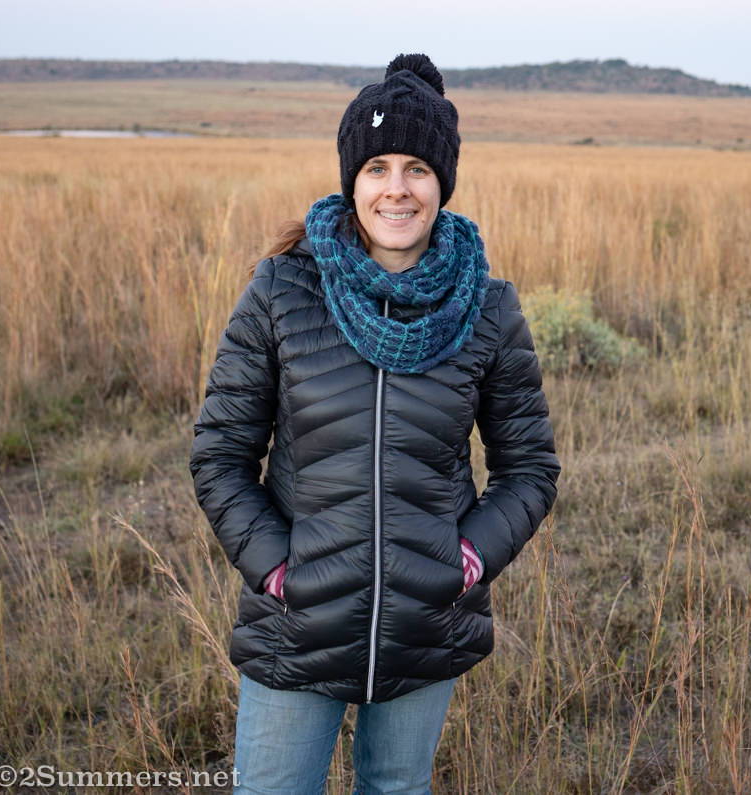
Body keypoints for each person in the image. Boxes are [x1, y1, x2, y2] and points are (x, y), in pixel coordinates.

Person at [189, 53, 560, 794]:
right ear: (351, 180)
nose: (397, 188)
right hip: (298, 624)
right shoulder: (283, 291)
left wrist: (466, 561)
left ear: (442, 183)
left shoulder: (488, 308)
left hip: (425, 623)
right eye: (378, 167)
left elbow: (529, 468)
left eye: (417, 168)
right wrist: (277, 569)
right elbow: (220, 455)